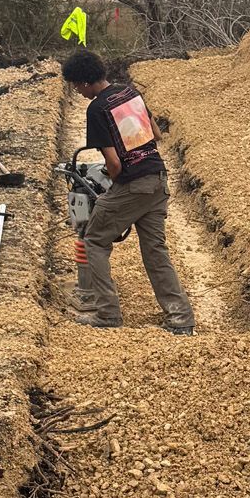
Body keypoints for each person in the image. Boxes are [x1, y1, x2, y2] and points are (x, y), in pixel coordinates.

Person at [60, 48, 194, 335]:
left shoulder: (96, 109)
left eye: (76, 85)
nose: (77, 91)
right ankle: (181, 319)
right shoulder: (129, 92)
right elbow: (155, 135)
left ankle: (107, 313)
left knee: (93, 240)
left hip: (133, 185)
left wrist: (110, 182)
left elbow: (114, 163)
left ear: (83, 82)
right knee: (156, 251)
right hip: (157, 180)